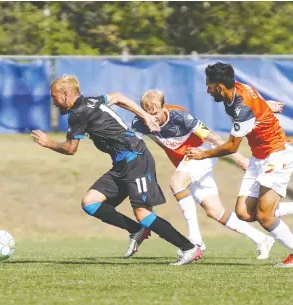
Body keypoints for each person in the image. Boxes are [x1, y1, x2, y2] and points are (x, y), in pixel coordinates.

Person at [31, 74, 202, 266]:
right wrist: (144, 115)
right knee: (90, 202)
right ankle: (137, 230)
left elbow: (70, 149)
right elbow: (118, 97)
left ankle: (189, 248)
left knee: (143, 213)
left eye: (54, 97)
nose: (54, 102)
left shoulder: (79, 113)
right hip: (121, 164)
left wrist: (48, 143)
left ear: (66, 94)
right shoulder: (91, 101)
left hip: (136, 158)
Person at [109, 89, 279, 260]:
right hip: (187, 163)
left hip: (203, 152)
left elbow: (213, 138)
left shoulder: (180, 117)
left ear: (163, 107)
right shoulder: (140, 122)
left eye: (156, 113)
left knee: (177, 182)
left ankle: (195, 241)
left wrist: (240, 159)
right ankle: (262, 239)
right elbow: (135, 146)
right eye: (148, 113)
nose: (153, 118)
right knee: (215, 211)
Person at [186, 62, 293, 267]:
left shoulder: (241, 109)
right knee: (244, 213)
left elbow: (232, 147)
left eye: (209, 86)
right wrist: (265, 106)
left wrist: (203, 154)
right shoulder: (239, 89)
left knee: (264, 216)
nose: (207, 90)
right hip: (259, 157)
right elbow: (256, 102)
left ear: (219, 87)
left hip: (277, 155)